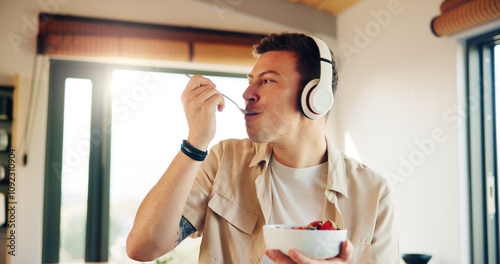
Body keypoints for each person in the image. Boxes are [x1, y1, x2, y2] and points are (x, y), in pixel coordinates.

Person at [126, 32, 399, 264]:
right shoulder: (224, 160)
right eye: (250, 81)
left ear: (316, 97)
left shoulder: (374, 192)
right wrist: (196, 142)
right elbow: (142, 247)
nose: (247, 93)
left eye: (266, 80)